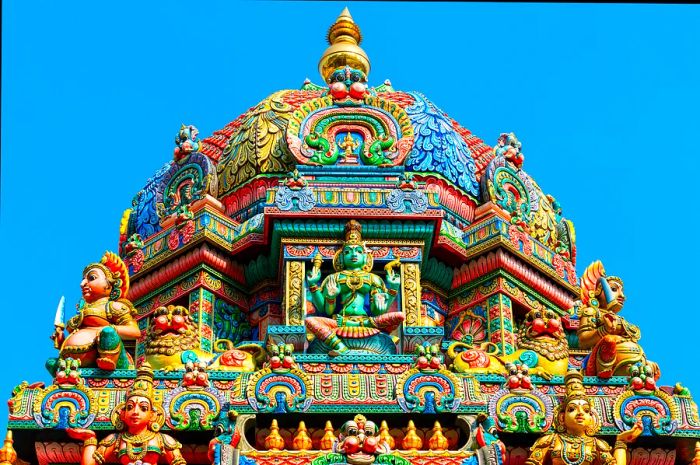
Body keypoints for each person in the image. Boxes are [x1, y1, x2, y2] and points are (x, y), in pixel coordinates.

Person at [305, 220, 404, 356]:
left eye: (358, 251)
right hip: (339, 322)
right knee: (310, 321)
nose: (354, 255)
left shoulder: (373, 278)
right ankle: (340, 347)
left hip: (367, 322)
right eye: (348, 252)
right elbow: (325, 310)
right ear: (340, 257)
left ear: (365, 257)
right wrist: (315, 286)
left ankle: (338, 342)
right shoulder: (334, 278)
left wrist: (393, 289)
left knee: (399, 316)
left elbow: (376, 311)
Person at [67, 362, 186, 465]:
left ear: (153, 415)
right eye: (130, 407)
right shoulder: (115, 439)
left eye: (143, 408)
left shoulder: (162, 439)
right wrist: (90, 439)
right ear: (122, 413)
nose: (135, 412)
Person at [525, 371, 641, 465]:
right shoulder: (550, 440)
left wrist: (621, 442)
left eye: (586, 410)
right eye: (572, 409)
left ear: (592, 417)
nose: (580, 413)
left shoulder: (596, 444)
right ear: (561, 417)